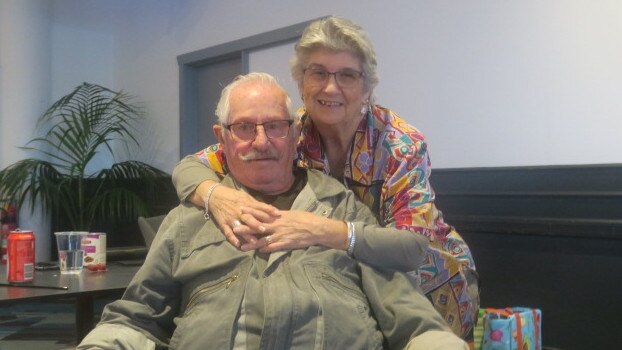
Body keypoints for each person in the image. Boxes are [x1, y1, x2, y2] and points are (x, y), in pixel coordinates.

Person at [77, 73, 468, 349]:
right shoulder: (189, 219)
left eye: (275, 127)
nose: (261, 141)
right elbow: (134, 317)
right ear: (223, 138)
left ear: (295, 133)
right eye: (245, 128)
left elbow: (412, 318)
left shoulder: (344, 208)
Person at [173, 17, 479, 339]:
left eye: (346, 75)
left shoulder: (399, 145)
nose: (330, 87)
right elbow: (189, 168)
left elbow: (413, 247)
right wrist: (217, 197)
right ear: (301, 83)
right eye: (318, 72)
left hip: (426, 284)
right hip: (356, 283)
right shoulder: (288, 131)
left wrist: (321, 229)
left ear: (367, 87)